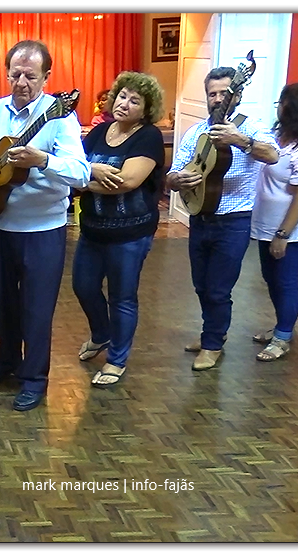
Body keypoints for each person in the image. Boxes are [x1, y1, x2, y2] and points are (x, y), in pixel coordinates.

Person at [0, 40, 90, 411]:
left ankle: (34, 378)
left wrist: (43, 159)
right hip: (0, 225)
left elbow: (80, 173)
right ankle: (6, 361)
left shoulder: (60, 116)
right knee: (1, 303)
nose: (21, 82)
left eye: (31, 76)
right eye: (15, 74)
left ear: (46, 78)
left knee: (36, 309)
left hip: (44, 230)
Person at [167, 66, 279, 371]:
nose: (217, 99)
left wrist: (240, 140)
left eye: (224, 93)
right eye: (212, 94)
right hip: (199, 217)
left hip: (234, 221)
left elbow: (272, 155)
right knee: (201, 285)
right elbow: (172, 174)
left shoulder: (250, 126)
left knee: (219, 287)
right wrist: (178, 181)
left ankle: (213, 344)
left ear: (237, 94)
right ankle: (211, 333)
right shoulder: (195, 132)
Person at [71, 72, 166, 388]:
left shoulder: (148, 137)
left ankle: (117, 359)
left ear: (146, 109)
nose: (125, 104)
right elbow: (74, 167)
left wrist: (84, 181)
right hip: (93, 229)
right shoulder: (98, 133)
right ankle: (102, 334)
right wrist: (87, 176)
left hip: (130, 234)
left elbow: (126, 181)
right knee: (83, 286)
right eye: (122, 96)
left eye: (134, 100)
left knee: (122, 298)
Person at [249, 83, 298, 362]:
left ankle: (282, 337)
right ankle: (283, 325)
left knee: (287, 282)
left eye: (282, 101)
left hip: (288, 229)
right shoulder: (276, 137)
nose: (277, 106)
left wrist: (283, 233)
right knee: (271, 279)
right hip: (265, 224)